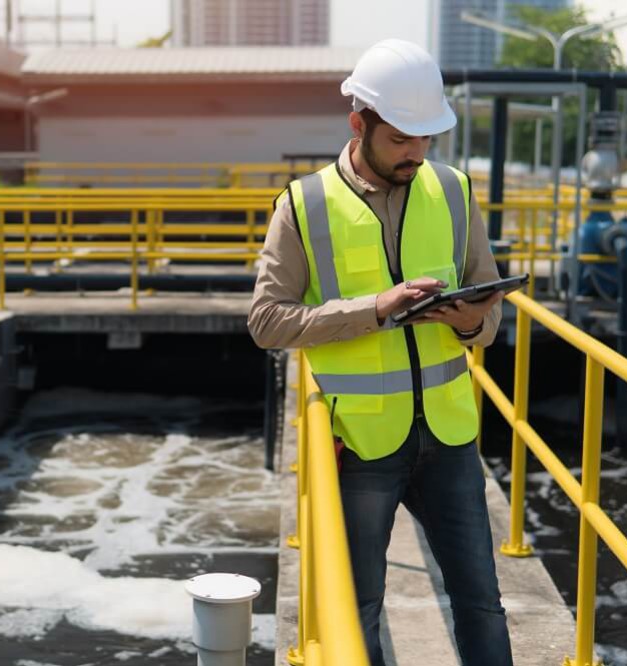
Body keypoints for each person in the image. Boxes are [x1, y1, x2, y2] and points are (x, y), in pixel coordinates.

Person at [247, 39, 512, 666]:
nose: (416, 155)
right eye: (400, 140)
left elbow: (492, 312)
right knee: (357, 609)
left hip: (449, 436)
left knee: (482, 601)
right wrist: (376, 308)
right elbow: (266, 321)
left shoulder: (452, 191)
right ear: (358, 124)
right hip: (363, 443)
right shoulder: (304, 205)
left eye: (426, 140)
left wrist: (475, 321)